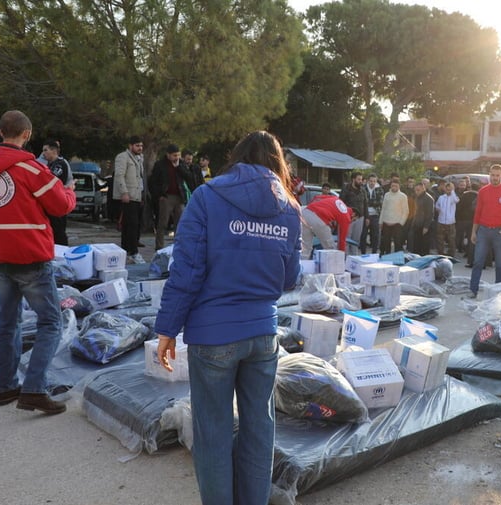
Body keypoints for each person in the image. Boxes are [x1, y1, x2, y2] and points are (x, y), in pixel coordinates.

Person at [154, 130, 301, 505]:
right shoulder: (289, 207)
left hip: (213, 334)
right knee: (259, 429)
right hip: (264, 334)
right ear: (277, 162)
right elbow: (289, 279)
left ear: (237, 156)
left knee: (214, 434)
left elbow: (186, 270)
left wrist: (168, 329)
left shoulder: (207, 196)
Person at [0, 110, 77, 414]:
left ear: (0, 131)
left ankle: (4, 387)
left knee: (7, 321)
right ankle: (33, 389)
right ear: (27, 135)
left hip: (0, 253)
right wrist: (69, 192)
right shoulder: (31, 169)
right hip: (31, 255)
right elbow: (59, 205)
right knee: (50, 322)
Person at [468, 164, 501, 298]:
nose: (495, 178)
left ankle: (499, 291)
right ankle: (473, 289)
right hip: (483, 231)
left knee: (499, 262)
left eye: (497, 175)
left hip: (500, 232)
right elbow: (478, 213)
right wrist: (474, 231)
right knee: (478, 261)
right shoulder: (483, 191)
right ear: (489, 175)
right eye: (492, 175)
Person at [150, 144, 193, 250]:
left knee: (180, 223)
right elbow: (153, 181)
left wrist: (178, 167)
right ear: (168, 155)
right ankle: (159, 247)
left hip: (180, 196)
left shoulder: (181, 164)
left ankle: (178, 247)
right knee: (163, 223)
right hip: (166, 196)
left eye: (178, 155)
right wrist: (159, 195)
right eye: (174, 155)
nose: (176, 157)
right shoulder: (160, 165)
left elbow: (189, 177)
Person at [113, 136, 146, 264]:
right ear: (130, 146)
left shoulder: (140, 158)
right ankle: (133, 252)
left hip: (137, 196)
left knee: (132, 225)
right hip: (128, 196)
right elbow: (119, 175)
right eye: (137, 146)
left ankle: (126, 251)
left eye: (141, 146)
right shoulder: (123, 157)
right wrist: (124, 192)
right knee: (131, 225)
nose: (140, 148)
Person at [301, 192, 353, 259]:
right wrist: (341, 255)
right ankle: (334, 266)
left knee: (305, 247)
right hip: (319, 218)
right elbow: (342, 239)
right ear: (354, 215)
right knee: (330, 247)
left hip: (306, 212)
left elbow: (317, 197)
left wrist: (312, 206)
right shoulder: (346, 216)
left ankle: (302, 266)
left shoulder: (336, 198)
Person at [41, 140, 72, 245]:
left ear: (54, 151)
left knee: (58, 233)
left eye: (46, 150)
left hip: (57, 204)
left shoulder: (59, 164)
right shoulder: (51, 164)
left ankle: (62, 253)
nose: (43, 153)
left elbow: (50, 183)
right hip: (53, 204)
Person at [339, 172, 367, 254]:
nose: (360, 181)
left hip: (360, 218)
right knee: (347, 239)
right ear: (353, 179)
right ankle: (346, 259)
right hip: (348, 218)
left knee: (355, 240)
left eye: (361, 179)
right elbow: (340, 203)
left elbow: (365, 204)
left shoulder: (363, 190)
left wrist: (367, 217)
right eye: (358, 179)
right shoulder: (346, 189)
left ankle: (354, 259)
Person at [378, 179, 409, 255]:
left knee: (398, 243)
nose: (394, 187)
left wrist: (401, 223)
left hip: (397, 224)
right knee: (385, 242)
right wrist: (380, 221)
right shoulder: (386, 195)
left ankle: (397, 260)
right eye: (392, 185)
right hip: (386, 222)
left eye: (396, 186)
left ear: (399, 186)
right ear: (390, 186)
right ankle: (385, 258)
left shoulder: (403, 196)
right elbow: (383, 208)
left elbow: (406, 211)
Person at [434, 181, 459, 257]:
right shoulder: (441, 197)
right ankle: (440, 252)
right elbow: (437, 205)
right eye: (447, 189)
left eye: (450, 189)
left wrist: (453, 190)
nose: (448, 191)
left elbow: (456, 200)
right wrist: (438, 208)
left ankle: (451, 253)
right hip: (441, 221)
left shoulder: (454, 197)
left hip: (450, 222)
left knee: (451, 239)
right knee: (440, 238)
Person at [410, 180, 435, 256]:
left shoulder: (428, 198)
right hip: (417, 225)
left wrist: (426, 227)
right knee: (416, 246)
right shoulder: (417, 197)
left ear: (423, 188)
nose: (416, 192)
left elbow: (430, 214)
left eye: (418, 190)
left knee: (424, 247)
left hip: (424, 226)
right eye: (415, 190)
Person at [361, 173, 384, 253]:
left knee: (375, 235)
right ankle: (363, 253)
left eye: (374, 181)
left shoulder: (380, 189)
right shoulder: (363, 188)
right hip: (365, 215)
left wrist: (368, 202)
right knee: (363, 235)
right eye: (371, 181)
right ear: (368, 181)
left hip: (375, 215)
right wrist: (371, 202)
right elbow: (362, 202)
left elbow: (380, 202)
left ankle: (374, 253)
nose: (372, 183)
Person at [455, 182, 478, 259]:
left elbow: (459, 206)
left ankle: (456, 249)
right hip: (472, 220)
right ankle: (469, 253)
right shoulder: (478, 196)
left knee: (458, 235)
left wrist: (457, 217)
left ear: (470, 187)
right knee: (470, 237)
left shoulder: (465, 195)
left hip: (462, 219)